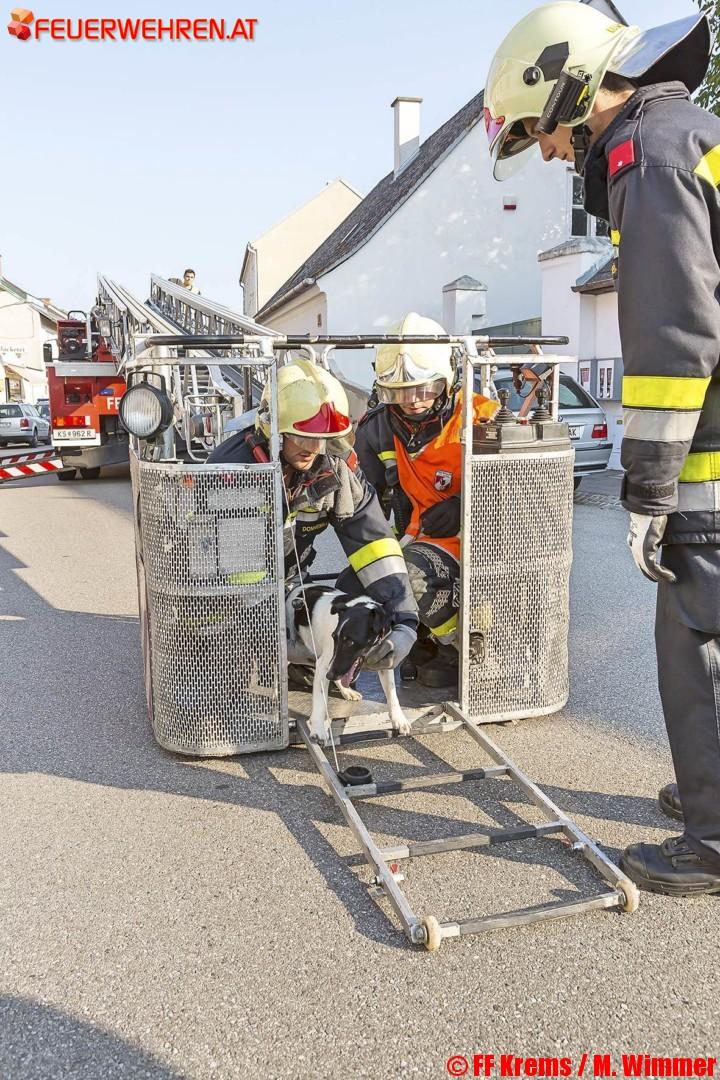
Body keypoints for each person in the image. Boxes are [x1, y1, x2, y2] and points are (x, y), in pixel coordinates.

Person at [484, 2, 720, 895]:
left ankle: (714, 839)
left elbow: (675, 336)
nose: (547, 152)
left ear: (575, 91)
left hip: (712, 454)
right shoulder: (689, 134)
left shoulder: (648, 156)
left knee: (695, 635)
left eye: (540, 132)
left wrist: (650, 490)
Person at [208, 359, 419, 677]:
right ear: (273, 431)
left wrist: (403, 621)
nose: (312, 449)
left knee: (345, 611)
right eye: (301, 437)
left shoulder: (335, 468)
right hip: (218, 597)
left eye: (322, 439)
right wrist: (280, 640)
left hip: (286, 585)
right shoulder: (235, 473)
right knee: (218, 686)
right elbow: (242, 581)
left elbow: (374, 545)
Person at [355, 313, 497, 688]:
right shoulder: (378, 428)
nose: (412, 402)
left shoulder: (482, 418)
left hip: (486, 545)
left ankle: (462, 649)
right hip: (426, 539)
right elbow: (363, 510)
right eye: (399, 392)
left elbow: (517, 498)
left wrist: (466, 504)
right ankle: (428, 638)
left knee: (412, 579)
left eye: (424, 389)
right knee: (368, 578)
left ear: (448, 381)